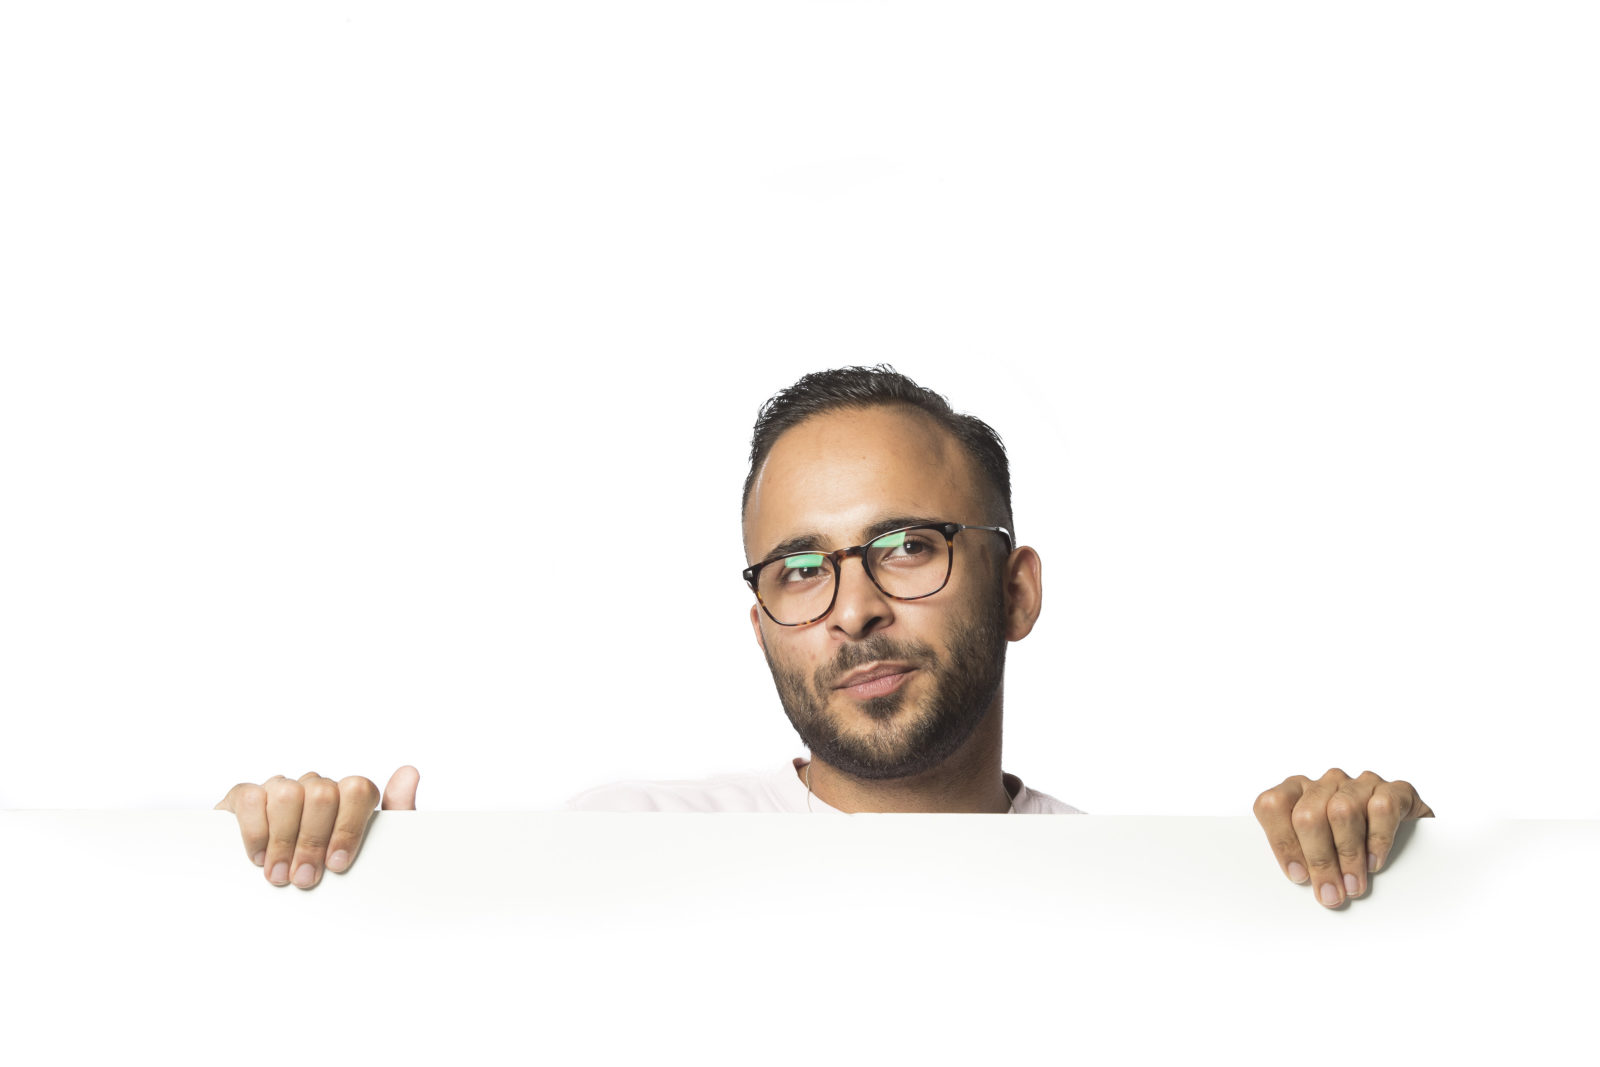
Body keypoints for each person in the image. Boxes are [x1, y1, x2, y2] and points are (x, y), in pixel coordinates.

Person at [216, 366, 1433, 909]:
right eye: (800, 569)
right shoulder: (622, 849)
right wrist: (332, 899)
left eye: (906, 545)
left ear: (1015, 590)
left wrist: (1398, 883)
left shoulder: (1140, 896)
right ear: (762, 624)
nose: (852, 608)